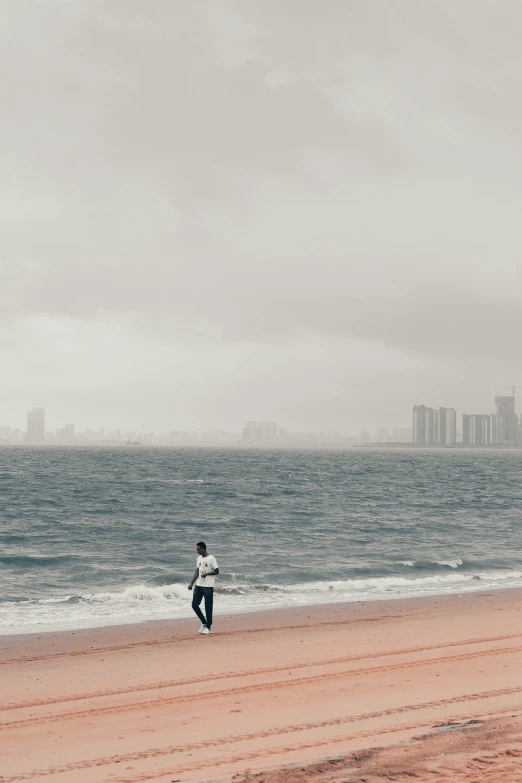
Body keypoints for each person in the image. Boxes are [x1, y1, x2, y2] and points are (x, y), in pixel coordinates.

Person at [188, 541, 219, 634]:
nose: (197, 551)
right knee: (194, 605)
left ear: (203, 548)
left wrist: (208, 573)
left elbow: (217, 571)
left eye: (198, 549)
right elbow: (197, 571)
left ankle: (208, 628)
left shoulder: (211, 558)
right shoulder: (199, 558)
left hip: (208, 586)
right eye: (197, 549)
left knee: (208, 607)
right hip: (199, 585)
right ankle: (204, 622)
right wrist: (191, 583)